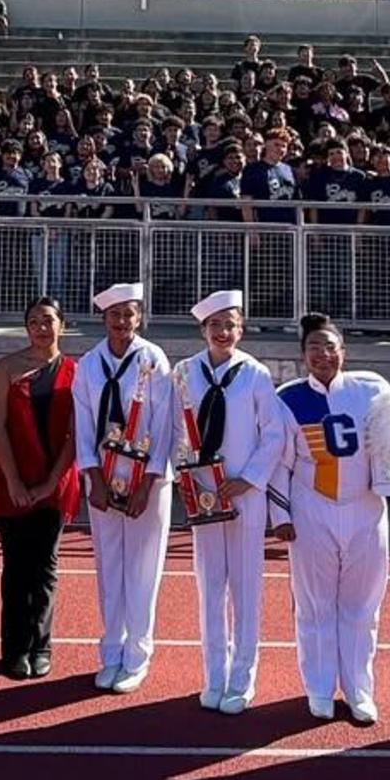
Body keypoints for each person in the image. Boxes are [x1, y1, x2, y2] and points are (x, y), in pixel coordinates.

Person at [270, 313, 390, 726]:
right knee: (313, 605)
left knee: (363, 606)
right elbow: (278, 462)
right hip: (312, 508)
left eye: (330, 347)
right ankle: (319, 689)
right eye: (314, 348)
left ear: (343, 351)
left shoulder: (372, 388)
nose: (323, 355)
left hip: (366, 509)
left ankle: (360, 689)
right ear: (302, 355)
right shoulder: (287, 398)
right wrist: (280, 513)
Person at [174, 290, 287, 714]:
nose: (224, 332)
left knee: (245, 586)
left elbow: (274, 433)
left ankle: (242, 676)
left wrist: (249, 479)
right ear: (203, 330)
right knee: (209, 586)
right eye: (216, 325)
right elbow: (175, 431)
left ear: (241, 329)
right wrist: (189, 477)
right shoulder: (185, 373)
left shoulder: (254, 373)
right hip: (204, 494)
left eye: (231, 325)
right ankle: (214, 674)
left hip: (244, 492)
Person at [74, 282, 177, 693]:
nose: (122, 322)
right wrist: (92, 476)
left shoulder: (154, 359)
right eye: (115, 315)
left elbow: (165, 424)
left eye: (129, 314)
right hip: (103, 477)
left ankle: (137, 654)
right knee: (109, 566)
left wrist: (148, 482)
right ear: (104, 319)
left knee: (143, 568)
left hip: (146, 481)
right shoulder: (88, 364)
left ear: (139, 317)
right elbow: (82, 424)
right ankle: (111, 650)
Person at [0, 297, 81, 680]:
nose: (43, 327)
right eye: (35, 321)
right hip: (13, 479)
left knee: (45, 569)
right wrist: (14, 481)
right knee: (16, 568)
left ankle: (41, 645)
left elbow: (77, 432)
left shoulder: (75, 370)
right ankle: (14, 649)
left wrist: (50, 482)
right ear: (26, 327)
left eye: (50, 320)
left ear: (62, 325)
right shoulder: (8, 367)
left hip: (55, 483)